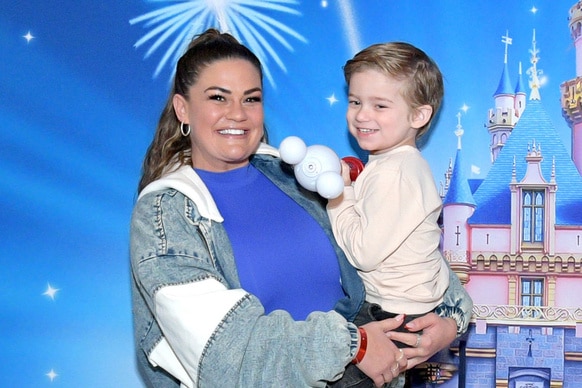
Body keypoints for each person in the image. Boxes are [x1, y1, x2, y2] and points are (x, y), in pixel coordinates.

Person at [130, 29, 472, 388]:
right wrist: (354, 345)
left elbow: (405, 251)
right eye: (218, 97)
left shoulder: (290, 175)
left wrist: (449, 319)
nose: (237, 114)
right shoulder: (166, 213)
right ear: (183, 108)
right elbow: (227, 354)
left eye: (251, 99)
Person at [327, 42, 460, 386]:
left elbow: (363, 253)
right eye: (355, 101)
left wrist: (338, 195)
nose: (361, 115)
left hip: (389, 313)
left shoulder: (395, 172)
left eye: (380, 105)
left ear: (419, 115)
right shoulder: (396, 164)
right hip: (409, 308)